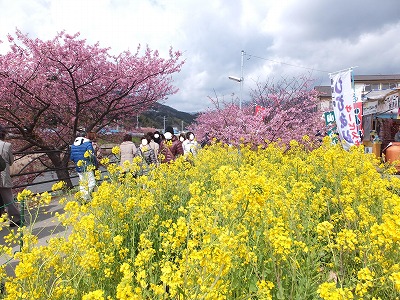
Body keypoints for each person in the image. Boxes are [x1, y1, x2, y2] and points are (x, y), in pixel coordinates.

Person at [0, 125, 21, 227]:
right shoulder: (6, 145)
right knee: (8, 198)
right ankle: (15, 219)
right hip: (3, 175)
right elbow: (11, 161)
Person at [70, 128, 98, 200]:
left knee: (83, 183)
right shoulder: (88, 144)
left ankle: (83, 199)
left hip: (79, 167)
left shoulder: (73, 145)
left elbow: (72, 157)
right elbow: (91, 155)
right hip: (88, 166)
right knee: (92, 182)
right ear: (85, 136)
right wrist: (95, 164)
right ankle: (84, 197)